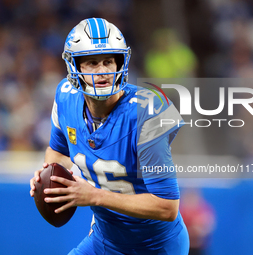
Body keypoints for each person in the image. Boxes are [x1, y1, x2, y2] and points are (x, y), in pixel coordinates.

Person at [30, 18, 189, 255]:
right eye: (92, 63)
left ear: (120, 64)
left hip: (156, 246)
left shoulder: (146, 111)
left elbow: (167, 207)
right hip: (106, 240)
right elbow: (59, 152)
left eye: (108, 61)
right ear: (75, 68)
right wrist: (51, 175)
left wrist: (95, 196)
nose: (103, 71)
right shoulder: (66, 96)